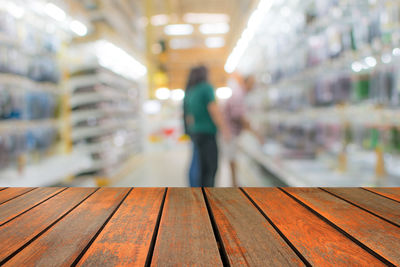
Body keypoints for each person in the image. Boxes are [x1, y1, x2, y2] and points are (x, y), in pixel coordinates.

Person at [184, 65, 231, 187]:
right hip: (208, 133)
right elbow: (214, 110)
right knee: (211, 167)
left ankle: (199, 196)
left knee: (200, 167)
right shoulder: (206, 88)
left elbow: (189, 117)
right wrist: (225, 129)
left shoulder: (191, 91)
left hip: (196, 133)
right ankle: (209, 198)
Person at [224, 72, 263, 187]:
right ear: (246, 82)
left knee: (233, 159)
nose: (254, 86)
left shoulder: (240, 94)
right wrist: (256, 134)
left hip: (232, 132)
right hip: (230, 133)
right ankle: (234, 186)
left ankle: (234, 184)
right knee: (232, 159)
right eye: (252, 83)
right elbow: (238, 117)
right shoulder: (239, 94)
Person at [183, 68, 200, 187]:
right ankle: (194, 186)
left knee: (194, 157)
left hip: (192, 131)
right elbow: (190, 115)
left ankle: (192, 185)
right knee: (196, 160)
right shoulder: (194, 92)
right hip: (197, 131)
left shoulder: (188, 92)